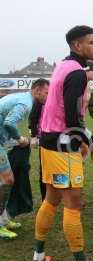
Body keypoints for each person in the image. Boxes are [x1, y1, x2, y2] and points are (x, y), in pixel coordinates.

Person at [31, 25, 93, 261]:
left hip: (50, 140)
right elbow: (72, 116)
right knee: (73, 203)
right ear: (77, 46)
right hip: (62, 144)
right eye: (91, 42)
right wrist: (91, 140)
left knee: (52, 198)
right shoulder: (75, 72)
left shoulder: (65, 66)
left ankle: (38, 255)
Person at [0, 79, 49, 239]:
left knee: (6, 181)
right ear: (37, 90)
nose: (48, 96)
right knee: (7, 181)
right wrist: (19, 139)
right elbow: (9, 122)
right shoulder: (26, 103)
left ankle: (3, 220)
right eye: (46, 93)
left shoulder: (24, 99)